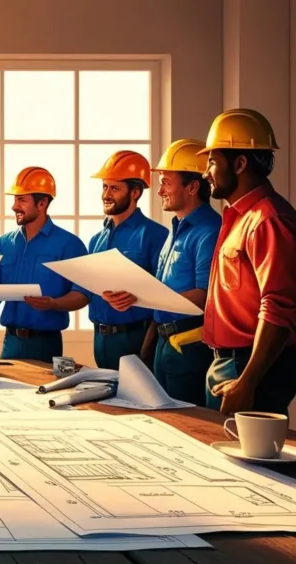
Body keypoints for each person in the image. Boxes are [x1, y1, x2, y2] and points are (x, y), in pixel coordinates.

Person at [199, 109, 296, 416]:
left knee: (249, 463)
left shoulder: (269, 220)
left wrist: (246, 382)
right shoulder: (239, 218)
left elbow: (279, 307)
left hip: (250, 367)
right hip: (230, 364)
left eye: (212, 161)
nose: (206, 172)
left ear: (240, 163)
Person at [103, 140, 221, 405]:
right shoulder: (175, 229)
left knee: (187, 422)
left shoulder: (210, 231)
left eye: (166, 183)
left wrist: (147, 297)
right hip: (163, 341)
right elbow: (163, 288)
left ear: (192, 187)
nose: (159, 192)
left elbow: (205, 294)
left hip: (189, 345)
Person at [35, 151, 169, 370]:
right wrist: (53, 303)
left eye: (114, 188)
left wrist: (147, 350)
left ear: (135, 192)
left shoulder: (154, 235)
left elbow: (164, 297)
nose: (106, 194)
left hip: (135, 338)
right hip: (100, 339)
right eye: (104, 187)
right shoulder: (97, 239)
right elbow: (85, 292)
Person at [0, 167, 87, 361]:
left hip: (46, 344)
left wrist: (54, 304)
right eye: (14, 200)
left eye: (21, 200)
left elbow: (82, 295)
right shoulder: (4, 243)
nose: (14, 207)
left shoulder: (70, 244)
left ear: (42, 203)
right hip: (10, 343)